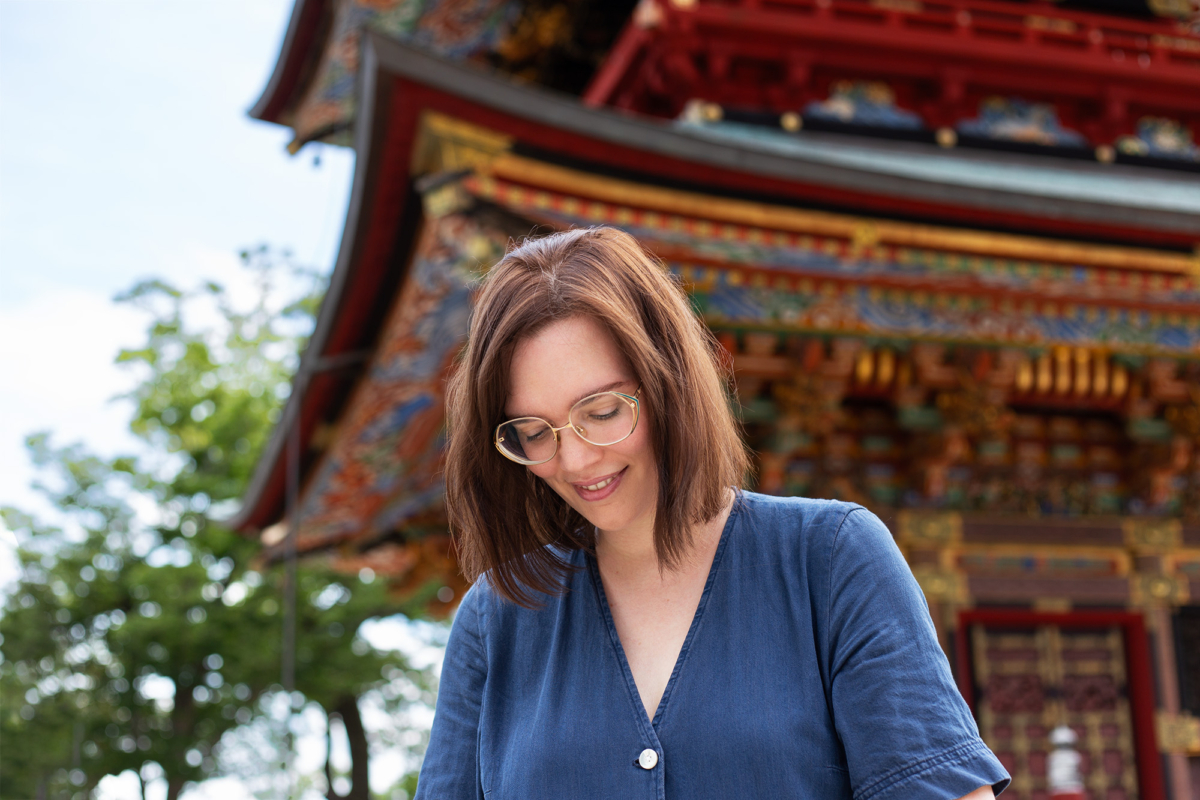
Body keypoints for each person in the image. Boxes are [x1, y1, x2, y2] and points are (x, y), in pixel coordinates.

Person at [415, 226, 1009, 800]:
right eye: (534, 431)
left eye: (600, 411)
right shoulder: (495, 621)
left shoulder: (829, 561)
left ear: (668, 380)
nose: (573, 459)